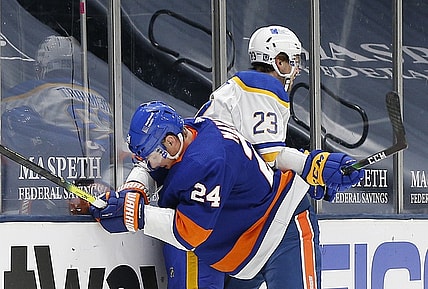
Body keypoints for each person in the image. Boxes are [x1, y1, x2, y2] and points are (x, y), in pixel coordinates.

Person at [89, 101, 364, 289]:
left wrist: (135, 214)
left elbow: (190, 232)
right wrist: (135, 188)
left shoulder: (207, 160)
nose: (150, 163)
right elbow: (149, 166)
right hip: (242, 253)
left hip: (283, 229)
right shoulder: (189, 129)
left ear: (170, 142)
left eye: (151, 155)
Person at [1, 35, 113, 215]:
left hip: (56, 181)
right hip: (98, 182)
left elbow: (9, 120)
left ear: (42, 66)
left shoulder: (33, 91)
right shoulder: (101, 98)